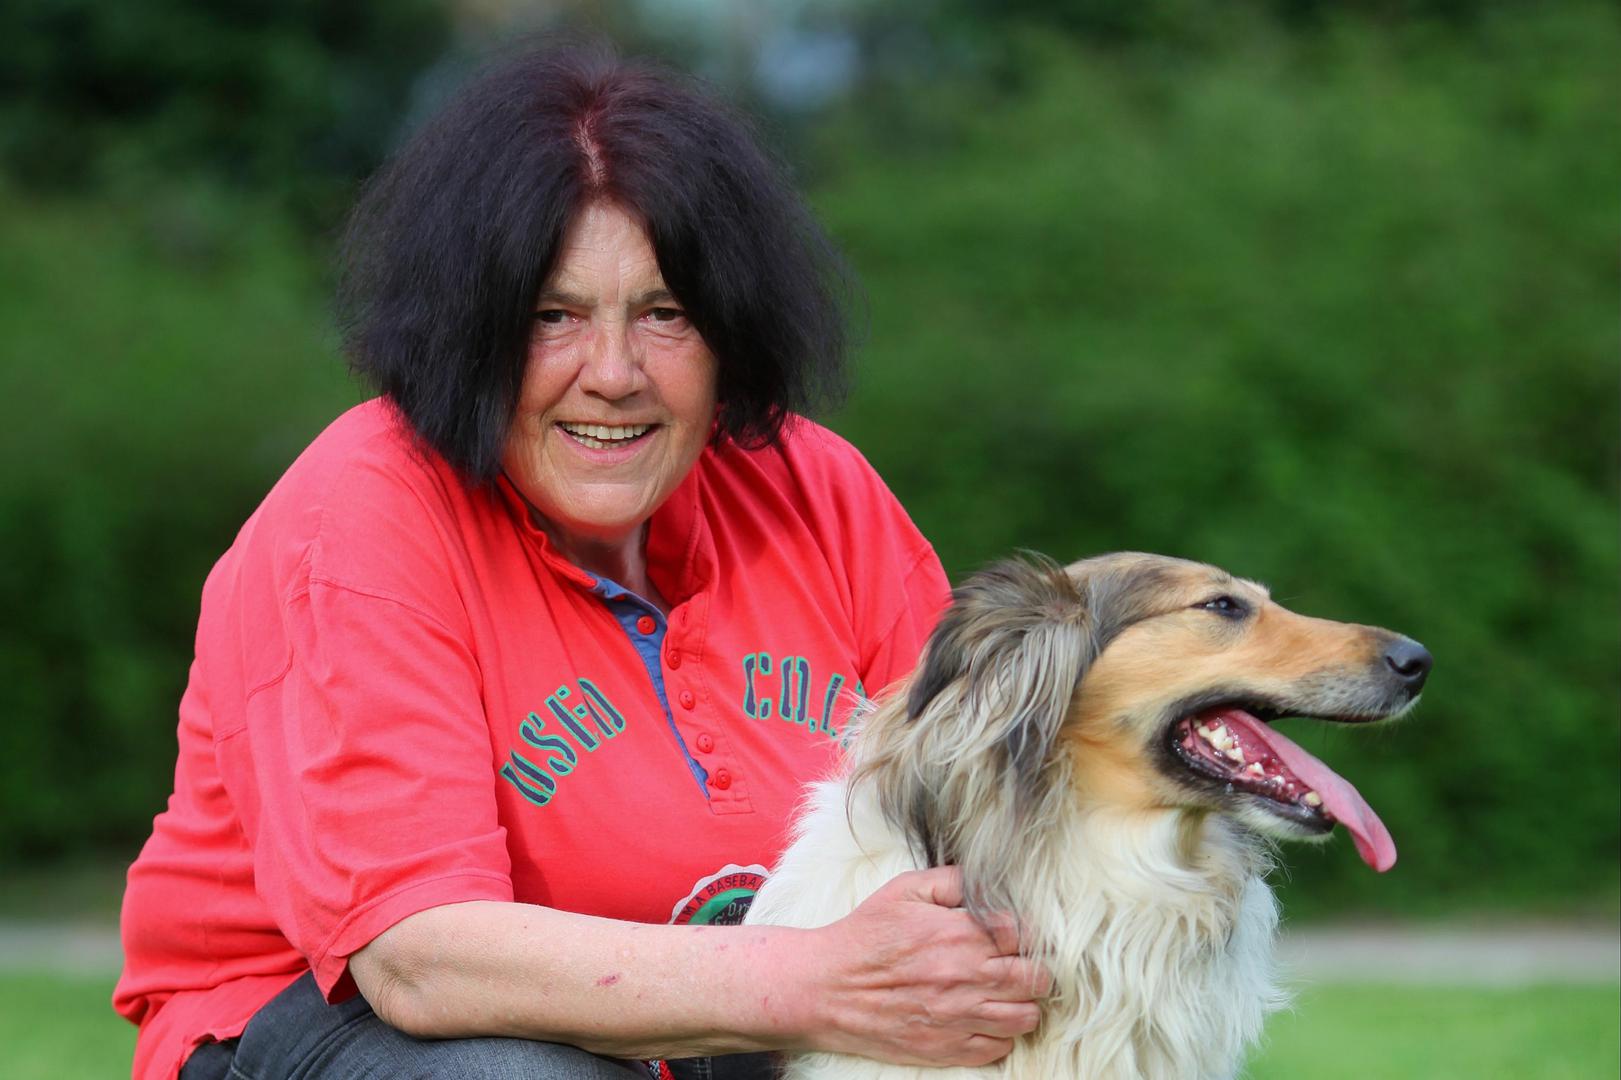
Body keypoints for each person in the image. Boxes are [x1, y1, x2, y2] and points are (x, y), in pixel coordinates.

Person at [114, 45, 1049, 1080]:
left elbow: (981, 822)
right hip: (327, 1022)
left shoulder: (817, 491)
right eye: (551, 317)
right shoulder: (359, 516)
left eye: (665, 314)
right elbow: (419, 963)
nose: (612, 373)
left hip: (734, 1019)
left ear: (731, 329)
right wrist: (822, 983)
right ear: (469, 332)